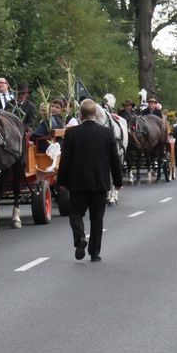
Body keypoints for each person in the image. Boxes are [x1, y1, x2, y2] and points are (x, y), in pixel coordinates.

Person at [58, 99, 123, 262]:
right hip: (100, 183)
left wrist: (62, 182)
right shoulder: (107, 133)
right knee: (97, 217)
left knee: (75, 213)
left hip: (78, 183)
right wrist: (118, 181)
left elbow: (65, 160)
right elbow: (114, 159)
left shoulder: (71, 133)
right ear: (95, 114)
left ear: (80, 115)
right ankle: (95, 253)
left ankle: (80, 237)